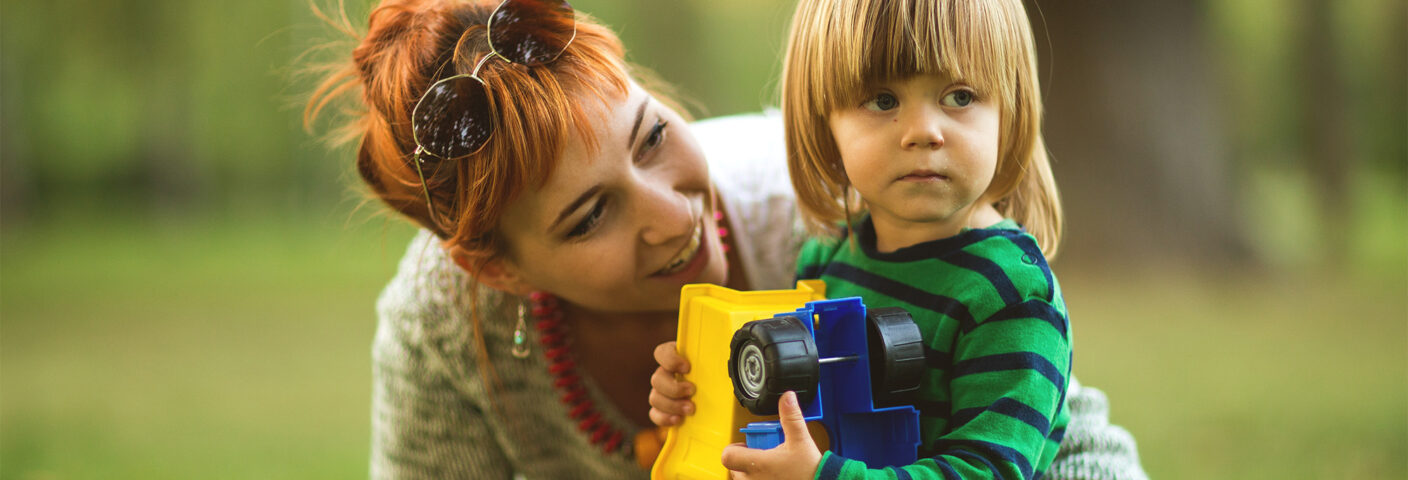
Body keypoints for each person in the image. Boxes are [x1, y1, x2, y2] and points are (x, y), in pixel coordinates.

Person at [304, 0, 1145, 478]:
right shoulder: (442, 327)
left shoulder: (835, 205)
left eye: (650, 138)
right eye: (589, 215)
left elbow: (1075, 450)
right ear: (497, 269)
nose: (672, 215)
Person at [648, 1, 1149, 479]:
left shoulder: (1009, 294)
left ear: (1010, 112)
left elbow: (986, 470)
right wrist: (707, 394)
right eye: (882, 100)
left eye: (960, 96)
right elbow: (804, 411)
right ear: (827, 127)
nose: (923, 131)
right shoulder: (828, 258)